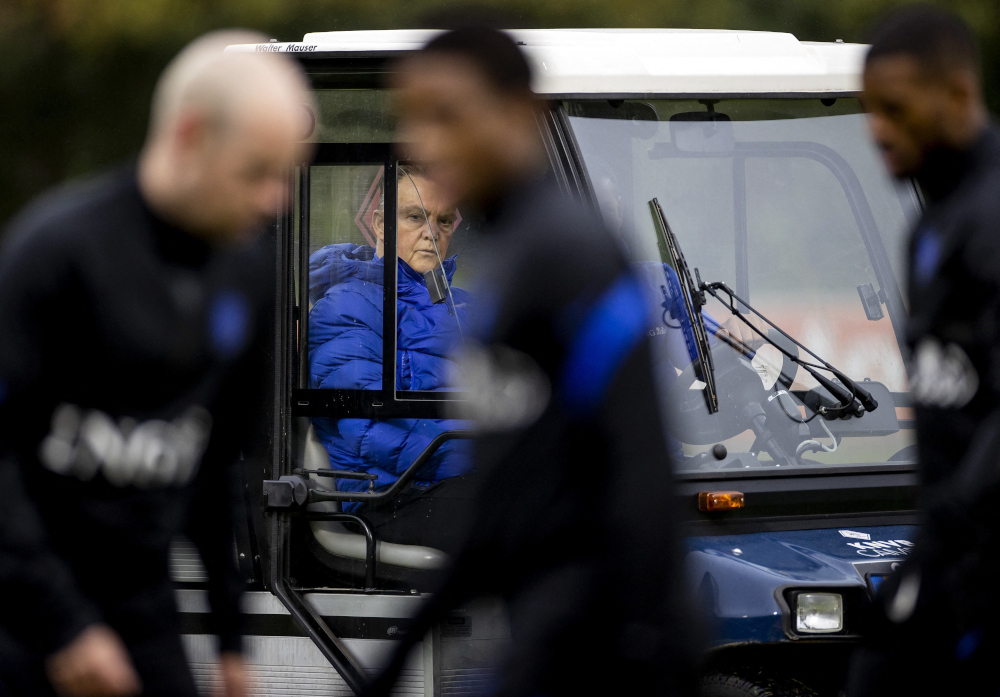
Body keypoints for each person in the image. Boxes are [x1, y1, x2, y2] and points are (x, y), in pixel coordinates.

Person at [366, 26, 698, 697]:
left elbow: (640, 475)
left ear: (520, 111)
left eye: (449, 115)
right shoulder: (508, 256)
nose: (425, 143)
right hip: (545, 625)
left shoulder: (569, 251)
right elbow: (501, 494)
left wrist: (642, 649)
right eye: (413, 119)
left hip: (602, 642)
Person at [0, 32, 312, 697]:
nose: (274, 201)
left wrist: (232, 641)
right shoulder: (52, 252)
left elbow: (216, 463)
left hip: (142, 607)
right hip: (24, 608)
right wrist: (63, 625)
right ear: (190, 134)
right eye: (256, 172)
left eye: (284, 176)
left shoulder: (249, 273)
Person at [848, 6, 1000, 695]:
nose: (877, 129)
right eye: (869, 109)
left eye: (896, 109)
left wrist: (949, 532)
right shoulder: (928, 226)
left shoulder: (990, 218)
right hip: (947, 554)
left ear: (959, 95)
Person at [308, 164, 474, 549]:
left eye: (444, 220)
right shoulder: (348, 305)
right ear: (381, 224)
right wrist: (483, 457)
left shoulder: (465, 306)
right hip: (389, 497)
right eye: (416, 217)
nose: (432, 233)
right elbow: (369, 431)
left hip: (453, 481)